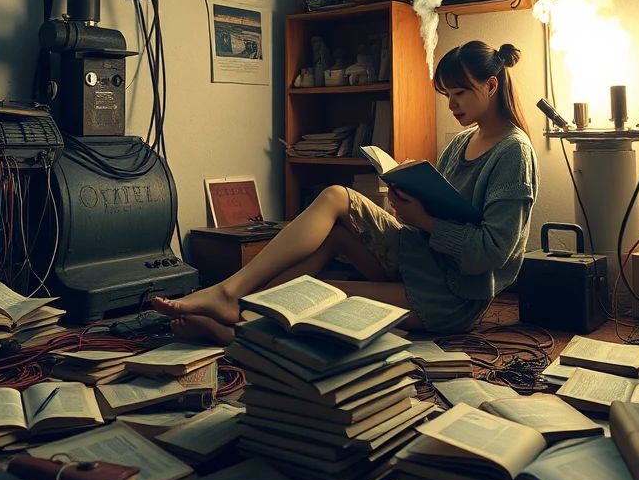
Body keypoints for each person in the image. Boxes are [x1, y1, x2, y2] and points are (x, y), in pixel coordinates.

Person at [152, 40, 539, 344]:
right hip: (423, 260)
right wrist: (408, 201)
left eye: (460, 93)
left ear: (490, 86)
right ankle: (235, 297)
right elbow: (441, 214)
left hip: (453, 296)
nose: (451, 104)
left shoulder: (513, 153)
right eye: (446, 95)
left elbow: (491, 253)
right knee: (337, 200)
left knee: (321, 293)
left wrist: (422, 218)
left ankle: (239, 327)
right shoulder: (462, 142)